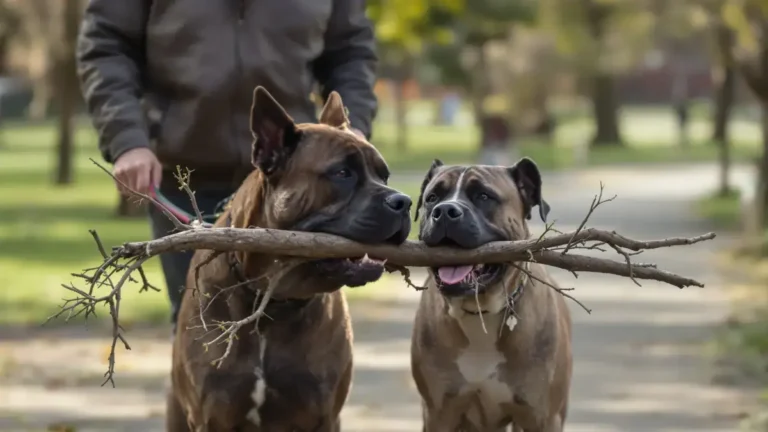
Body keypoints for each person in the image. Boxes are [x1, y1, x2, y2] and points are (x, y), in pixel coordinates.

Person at [76, 0, 378, 333]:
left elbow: (351, 52)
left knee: (304, 332)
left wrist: (352, 130)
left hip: (295, 187)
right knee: (201, 332)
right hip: (187, 181)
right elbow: (107, 47)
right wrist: (127, 140)